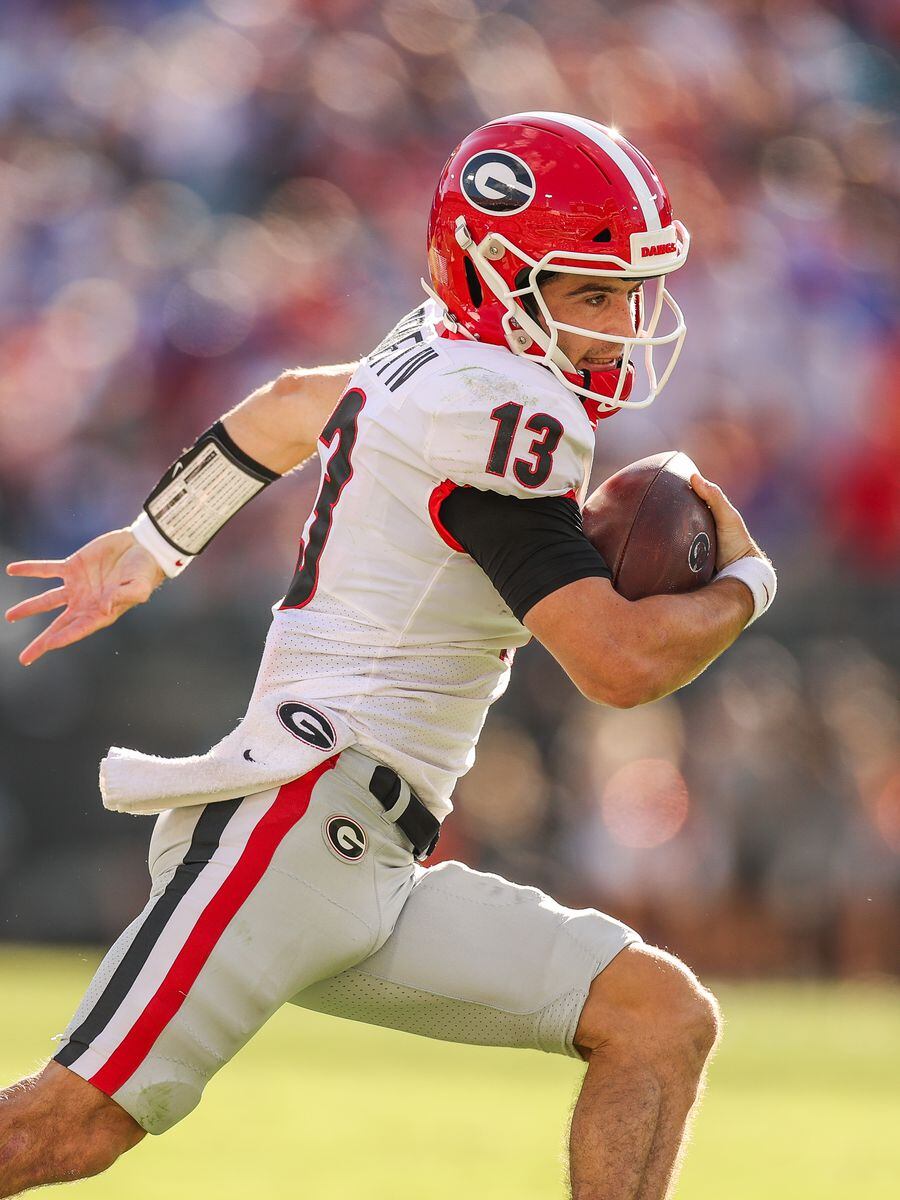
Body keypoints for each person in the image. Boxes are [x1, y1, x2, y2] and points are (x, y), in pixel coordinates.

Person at [1, 112, 775, 1200]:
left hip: (372, 853)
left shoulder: (441, 356)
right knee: (60, 1131)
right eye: (591, 292)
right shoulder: (500, 408)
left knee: (659, 1017)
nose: (621, 326)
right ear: (492, 273)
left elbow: (289, 409)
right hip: (296, 819)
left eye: (630, 292)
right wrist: (750, 584)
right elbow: (617, 664)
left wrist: (156, 539)